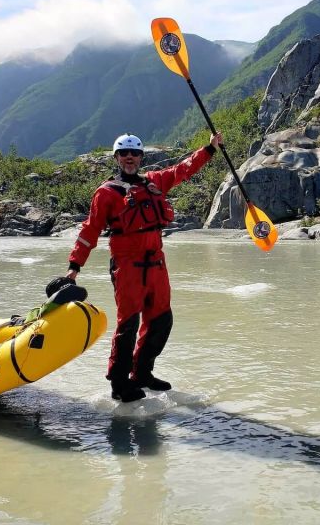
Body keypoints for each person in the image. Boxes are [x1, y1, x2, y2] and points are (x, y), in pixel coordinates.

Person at [66, 131, 223, 402]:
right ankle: (119, 382)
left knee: (162, 320)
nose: (130, 158)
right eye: (124, 153)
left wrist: (209, 149)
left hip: (156, 264)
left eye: (135, 153)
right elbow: (89, 230)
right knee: (128, 324)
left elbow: (183, 170)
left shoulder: (154, 181)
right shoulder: (106, 193)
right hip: (127, 265)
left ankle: (142, 372)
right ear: (116, 157)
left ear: (141, 157)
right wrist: (74, 266)